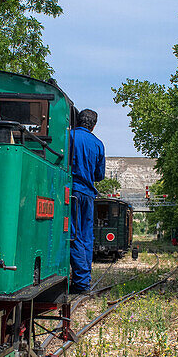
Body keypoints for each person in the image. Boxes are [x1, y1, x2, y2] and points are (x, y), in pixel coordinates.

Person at [68, 108, 105, 293]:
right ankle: (84, 279)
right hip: (88, 195)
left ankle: (81, 282)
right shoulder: (98, 144)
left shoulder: (70, 136)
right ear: (94, 125)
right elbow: (99, 175)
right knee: (86, 237)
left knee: (72, 234)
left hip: (72, 191)